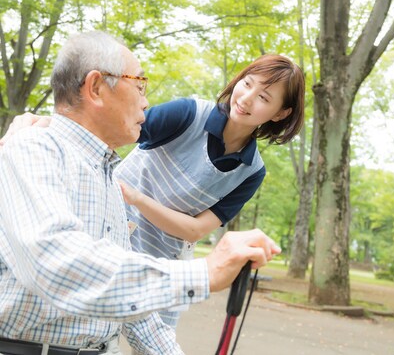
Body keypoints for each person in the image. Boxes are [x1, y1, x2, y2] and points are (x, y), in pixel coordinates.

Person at [0, 31, 281, 355]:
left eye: (266, 97)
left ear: (280, 113)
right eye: (139, 85)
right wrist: (204, 272)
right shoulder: (33, 149)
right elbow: (58, 265)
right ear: (95, 88)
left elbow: (135, 315)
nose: (147, 101)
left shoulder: (108, 180)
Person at [116, 54, 305, 329]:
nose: (246, 98)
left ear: (280, 113)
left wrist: (136, 197)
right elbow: (114, 130)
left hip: (167, 266)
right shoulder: (187, 114)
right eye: (247, 83)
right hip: (114, 237)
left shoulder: (251, 171)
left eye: (264, 97)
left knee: (155, 346)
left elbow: (193, 230)